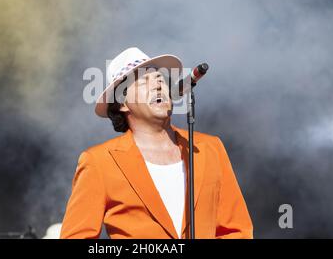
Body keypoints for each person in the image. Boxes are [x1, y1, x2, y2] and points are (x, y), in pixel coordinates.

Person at [60, 47, 253, 239]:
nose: (158, 85)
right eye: (144, 81)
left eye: (160, 79)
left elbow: (237, 230)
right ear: (123, 103)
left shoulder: (210, 148)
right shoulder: (99, 162)